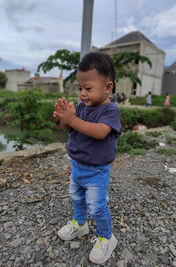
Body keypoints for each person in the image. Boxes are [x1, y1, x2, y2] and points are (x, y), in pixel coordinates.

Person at [53, 52, 121, 265]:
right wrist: (65, 119)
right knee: (76, 196)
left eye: (88, 88)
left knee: (97, 205)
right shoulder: (82, 107)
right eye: (80, 88)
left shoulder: (110, 110)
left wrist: (73, 119)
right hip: (78, 165)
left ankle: (106, 237)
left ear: (108, 87)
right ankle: (80, 223)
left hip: (97, 170)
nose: (82, 94)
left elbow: (100, 132)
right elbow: (72, 129)